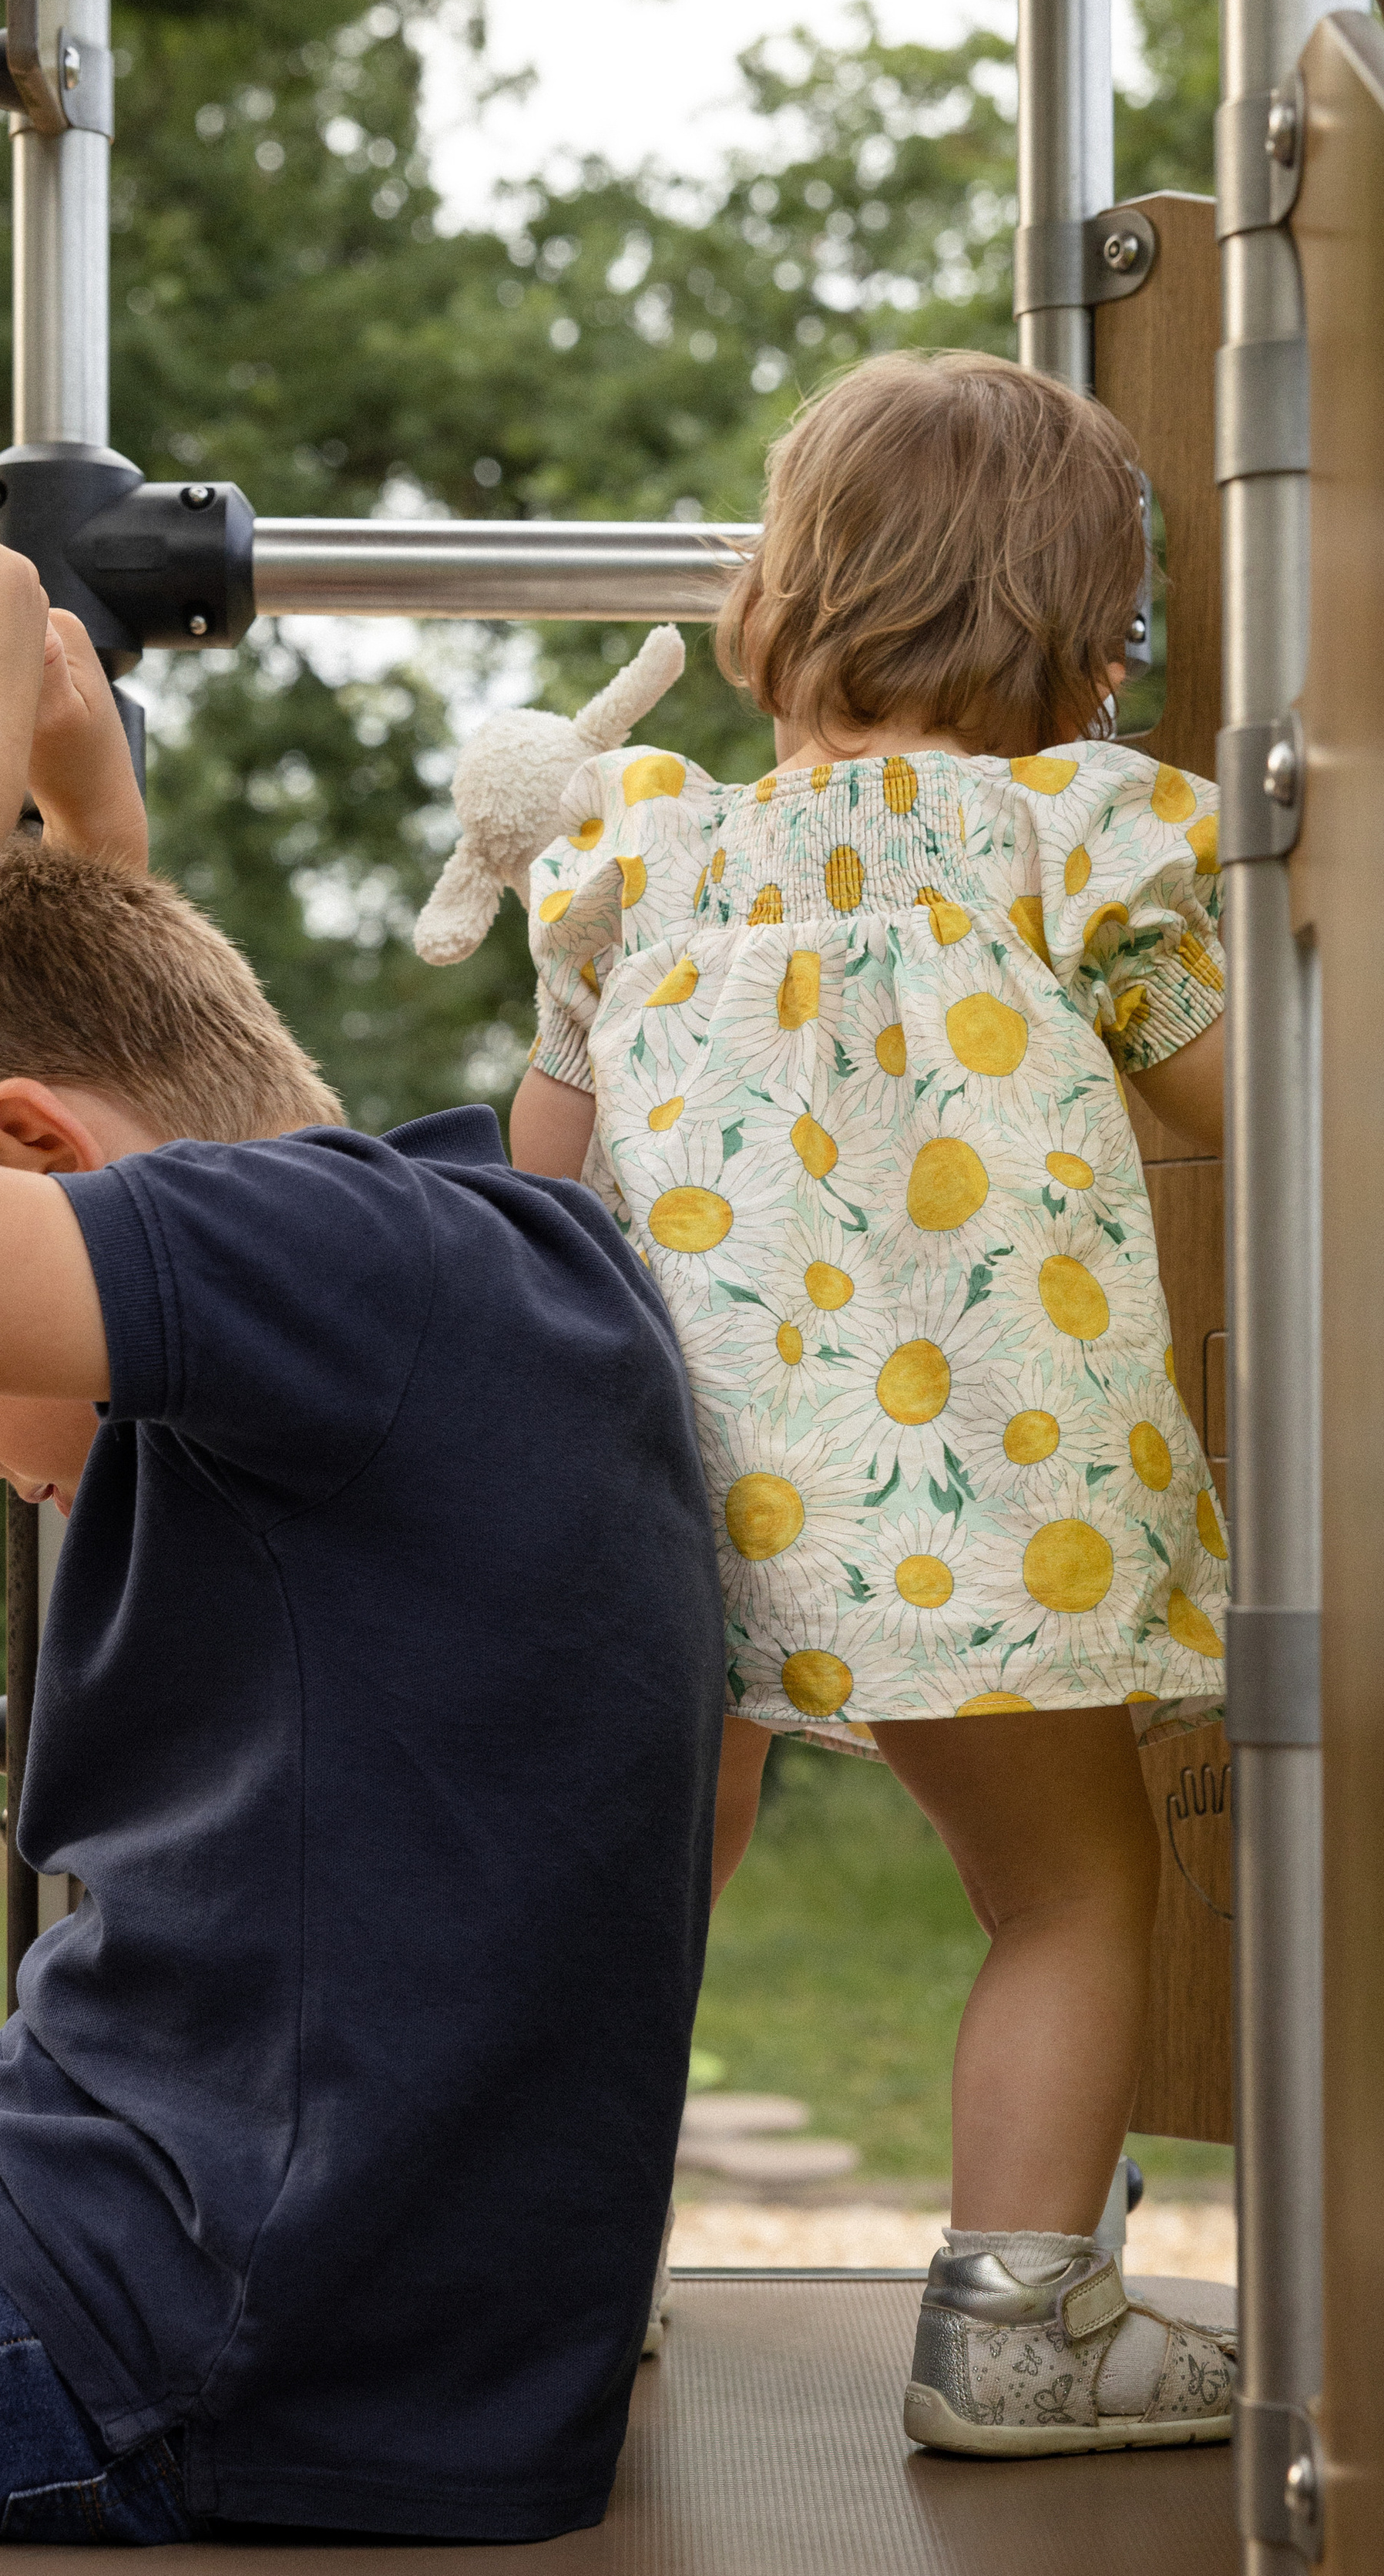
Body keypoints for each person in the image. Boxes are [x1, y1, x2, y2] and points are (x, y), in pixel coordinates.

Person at [0, 502, 724, 2544]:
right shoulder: (437, 1284)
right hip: (213, 2257)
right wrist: (78, 791)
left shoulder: (348, 1282)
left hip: (174, 2333)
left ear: (46, 1160)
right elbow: (129, 1053)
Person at [509, 348, 1236, 2457]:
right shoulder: (1076, 839)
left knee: (652, 1879)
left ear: (786, 593)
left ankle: (544, 2268)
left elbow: (539, 1206)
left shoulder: (640, 856)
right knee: (1073, 1889)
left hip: (673, 1483)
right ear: (1093, 638)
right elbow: (1246, 1109)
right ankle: (1019, 2325)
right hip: (979, 1488)